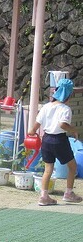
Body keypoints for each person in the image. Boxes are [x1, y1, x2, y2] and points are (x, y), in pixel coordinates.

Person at [28, 77, 82, 206]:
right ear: (68, 95)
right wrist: (73, 130)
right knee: (72, 167)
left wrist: (32, 133)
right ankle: (68, 193)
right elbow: (63, 125)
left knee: (48, 169)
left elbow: (33, 128)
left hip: (46, 140)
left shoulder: (46, 107)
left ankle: (44, 196)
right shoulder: (65, 109)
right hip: (59, 140)